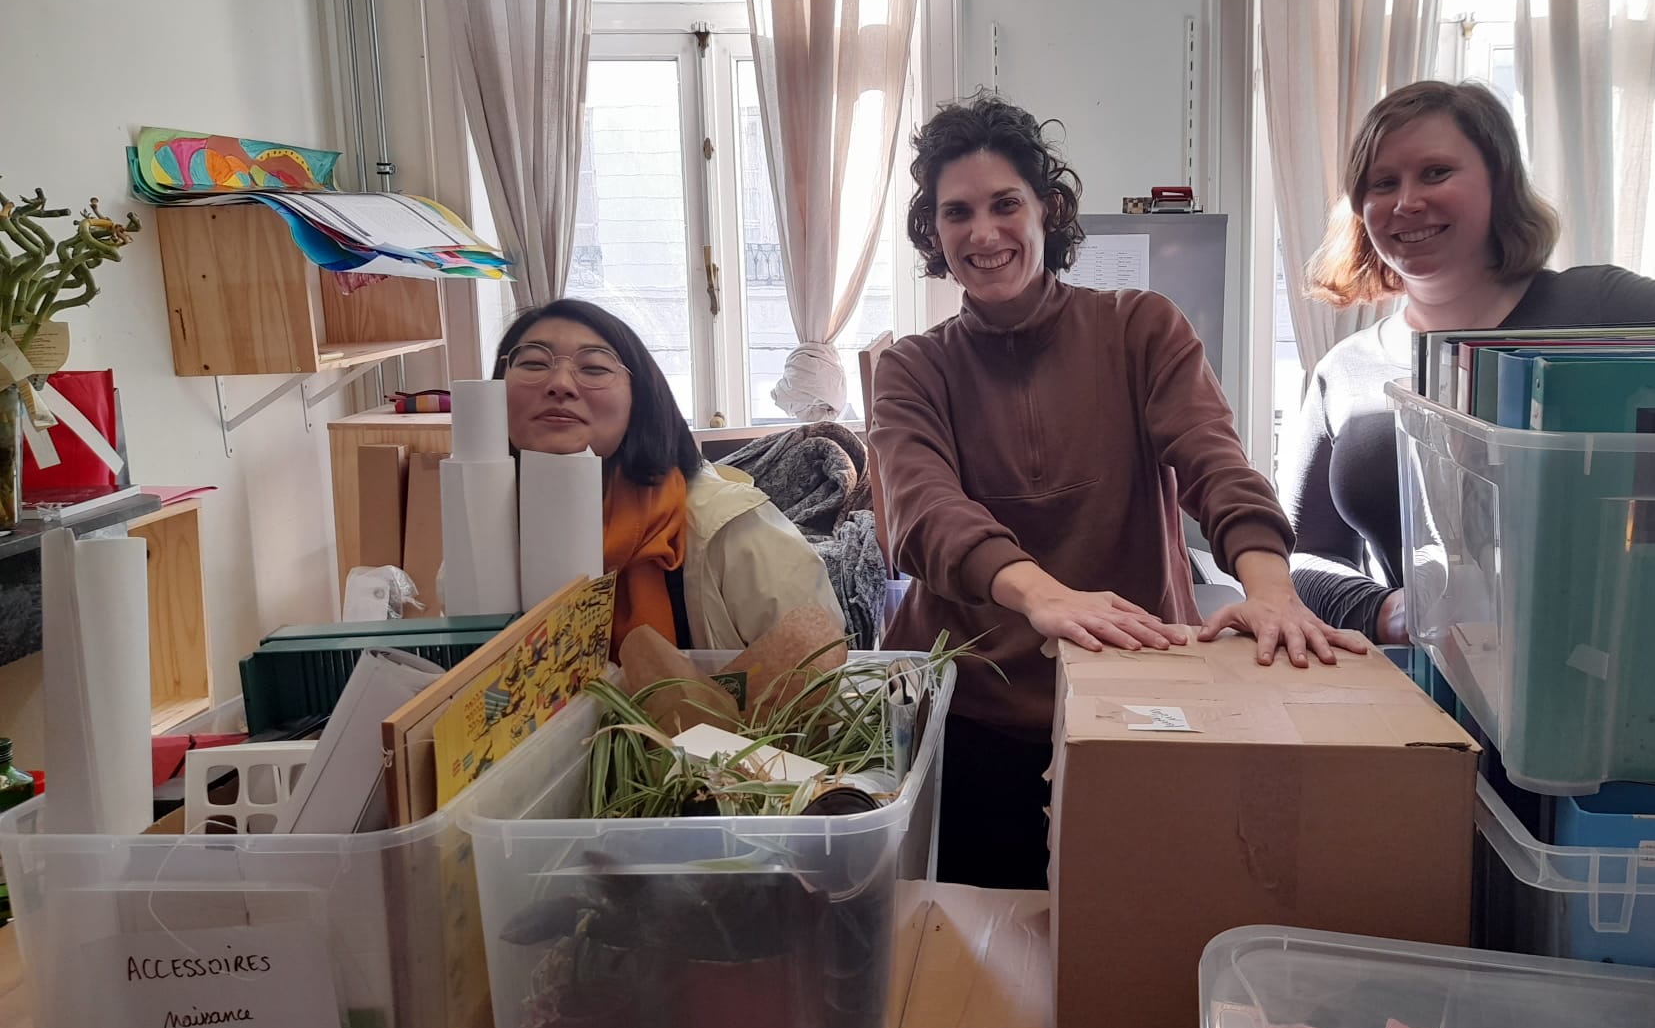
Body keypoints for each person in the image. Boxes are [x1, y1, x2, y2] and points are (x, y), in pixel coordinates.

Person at [872, 95, 1369, 890]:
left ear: (1049, 209)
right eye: (956, 213)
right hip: (972, 717)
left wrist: (1273, 593)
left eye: (1005, 204)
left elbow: (1214, 462)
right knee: (987, 939)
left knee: (1132, 922)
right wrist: (1042, 595)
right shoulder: (913, 368)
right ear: (933, 233)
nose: (983, 233)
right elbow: (922, 511)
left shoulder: (1141, 328)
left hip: (1136, 697)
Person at [1277, 80, 1655, 642]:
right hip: (1432, 685)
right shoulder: (1346, 370)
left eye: (1436, 173)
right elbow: (1305, 557)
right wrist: (1384, 610)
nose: (1407, 202)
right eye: (1383, 183)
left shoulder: (1602, 308)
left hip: (1627, 666)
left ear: (1500, 181)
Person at [493, 298, 842, 654]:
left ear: (640, 397)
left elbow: (820, 668)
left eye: (594, 368)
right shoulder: (484, 525)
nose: (559, 384)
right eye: (533, 363)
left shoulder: (729, 528)